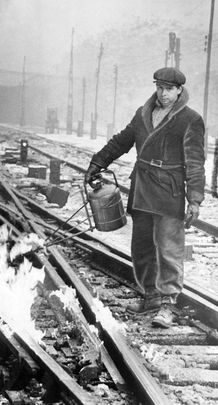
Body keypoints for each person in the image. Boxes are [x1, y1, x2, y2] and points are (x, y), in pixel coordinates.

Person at [85, 67, 205, 328]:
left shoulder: (190, 120)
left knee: (169, 249)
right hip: (142, 188)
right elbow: (121, 142)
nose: (163, 93)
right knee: (141, 248)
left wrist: (194, 199)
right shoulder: (143, 114)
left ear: (179, 91)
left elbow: (195, 163)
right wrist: (98, 162)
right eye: (159, 87)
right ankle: (150, 296)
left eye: (169, 89)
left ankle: (168, 304)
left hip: (170, 191)